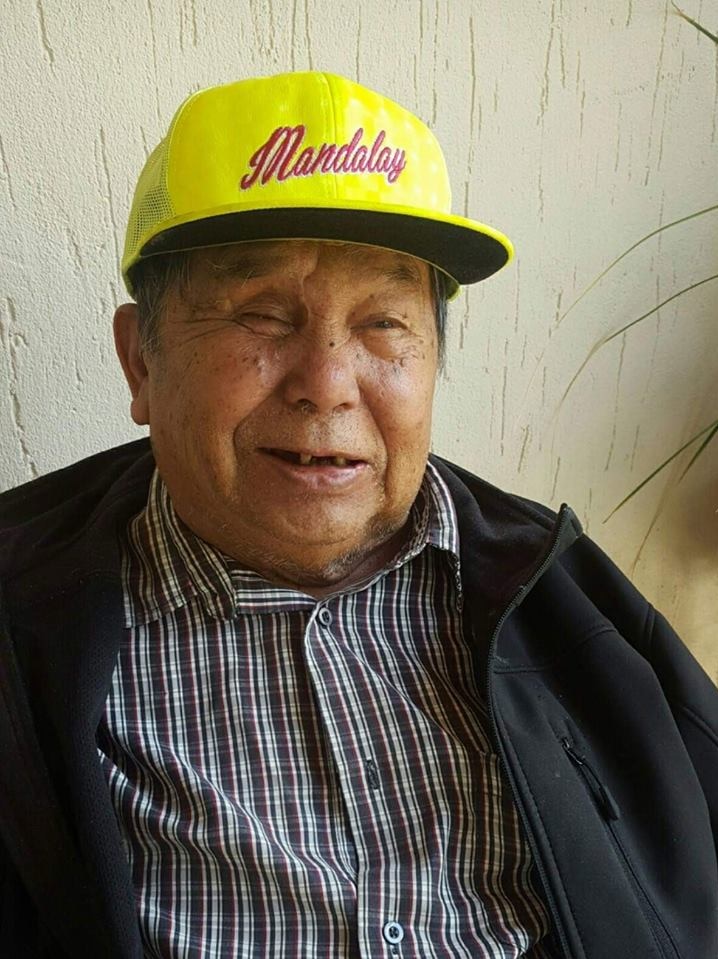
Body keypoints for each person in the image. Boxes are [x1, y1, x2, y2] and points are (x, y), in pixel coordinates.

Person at [0, 71, 716, 959]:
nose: (328, 384)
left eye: (384, 323)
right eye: (262, 316)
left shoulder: (553, 584)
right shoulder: (25, 614)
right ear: (140, 362)